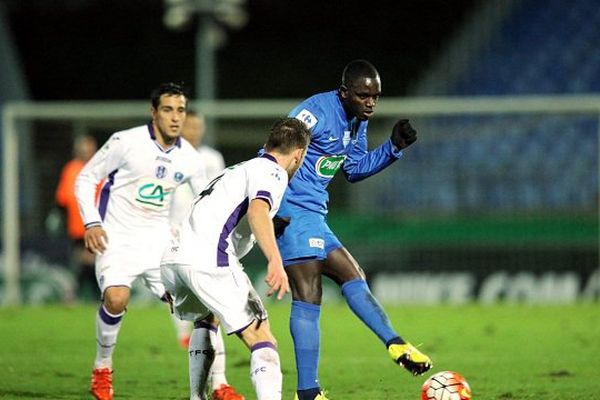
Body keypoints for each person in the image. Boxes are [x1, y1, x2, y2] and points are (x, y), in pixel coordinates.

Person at [275, 60, 433, 400]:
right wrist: (270, 205)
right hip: (289, 211)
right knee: (309, 293)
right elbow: (272, 154)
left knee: (353, 275)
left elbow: (354, 170)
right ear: (345, 92)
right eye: (363, 96)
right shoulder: (313, 113)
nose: (371, 103)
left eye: (376, 96)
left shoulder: (357, 121)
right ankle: (308, 392)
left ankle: (395, 343)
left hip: (316, 214)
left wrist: (392, 149)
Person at [75, 83, 242, 400]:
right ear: (154, 113)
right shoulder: (126, 142)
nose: (176, 117)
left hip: (159, 245)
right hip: (117, 239)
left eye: (180, 110)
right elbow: (86, 178)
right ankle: (102, 368)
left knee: (206, 309)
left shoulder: (190, 159)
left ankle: (219, 384)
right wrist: (92, 222)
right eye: (168, 109)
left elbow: (208, 201)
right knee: (116, 298)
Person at [160, 117, 311, 400]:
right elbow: (256, 212)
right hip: (207, 260)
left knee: (206, 319)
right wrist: (275, 260)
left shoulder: (236, 169)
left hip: (175, 257)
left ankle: (197, 396)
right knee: (262, 337)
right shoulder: (274, 173)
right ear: (298, 154)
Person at [169, 110, 240, 399]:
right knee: (178, 298)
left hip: (205, 237)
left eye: (199, 126)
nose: (195, 131)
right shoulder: (168, 157)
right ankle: (185, 337)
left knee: (211, 308)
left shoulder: (212, 158)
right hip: (173, 237)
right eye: (191, 126)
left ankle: (219, 382)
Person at [55, 134, 99, 301]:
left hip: (97, 226)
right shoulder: (71, 169)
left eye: (89, 149)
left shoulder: (100, 169)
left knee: (92, 262)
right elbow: (62, 198)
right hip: (77, 227)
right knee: (84, 262)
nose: (86, 152)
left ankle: (77, 296)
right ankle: (78, 295)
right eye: (83, 149)